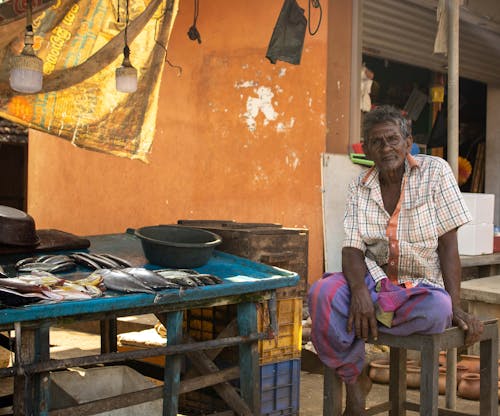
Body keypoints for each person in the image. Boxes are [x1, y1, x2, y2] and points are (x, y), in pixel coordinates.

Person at [308, 105, 484, 416]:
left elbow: (447, 245)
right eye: (377, 142)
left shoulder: (435, 172)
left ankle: (372, 316)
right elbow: (351, 249)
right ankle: (355, 378)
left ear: (408, 142)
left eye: (392, 139)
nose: (386, 148)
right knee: (321, 293)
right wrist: (361, 294)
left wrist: (456, 305)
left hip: (418, 286)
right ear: (367, 148)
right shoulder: (359, 186)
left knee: (438, 310)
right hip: (372, 280)